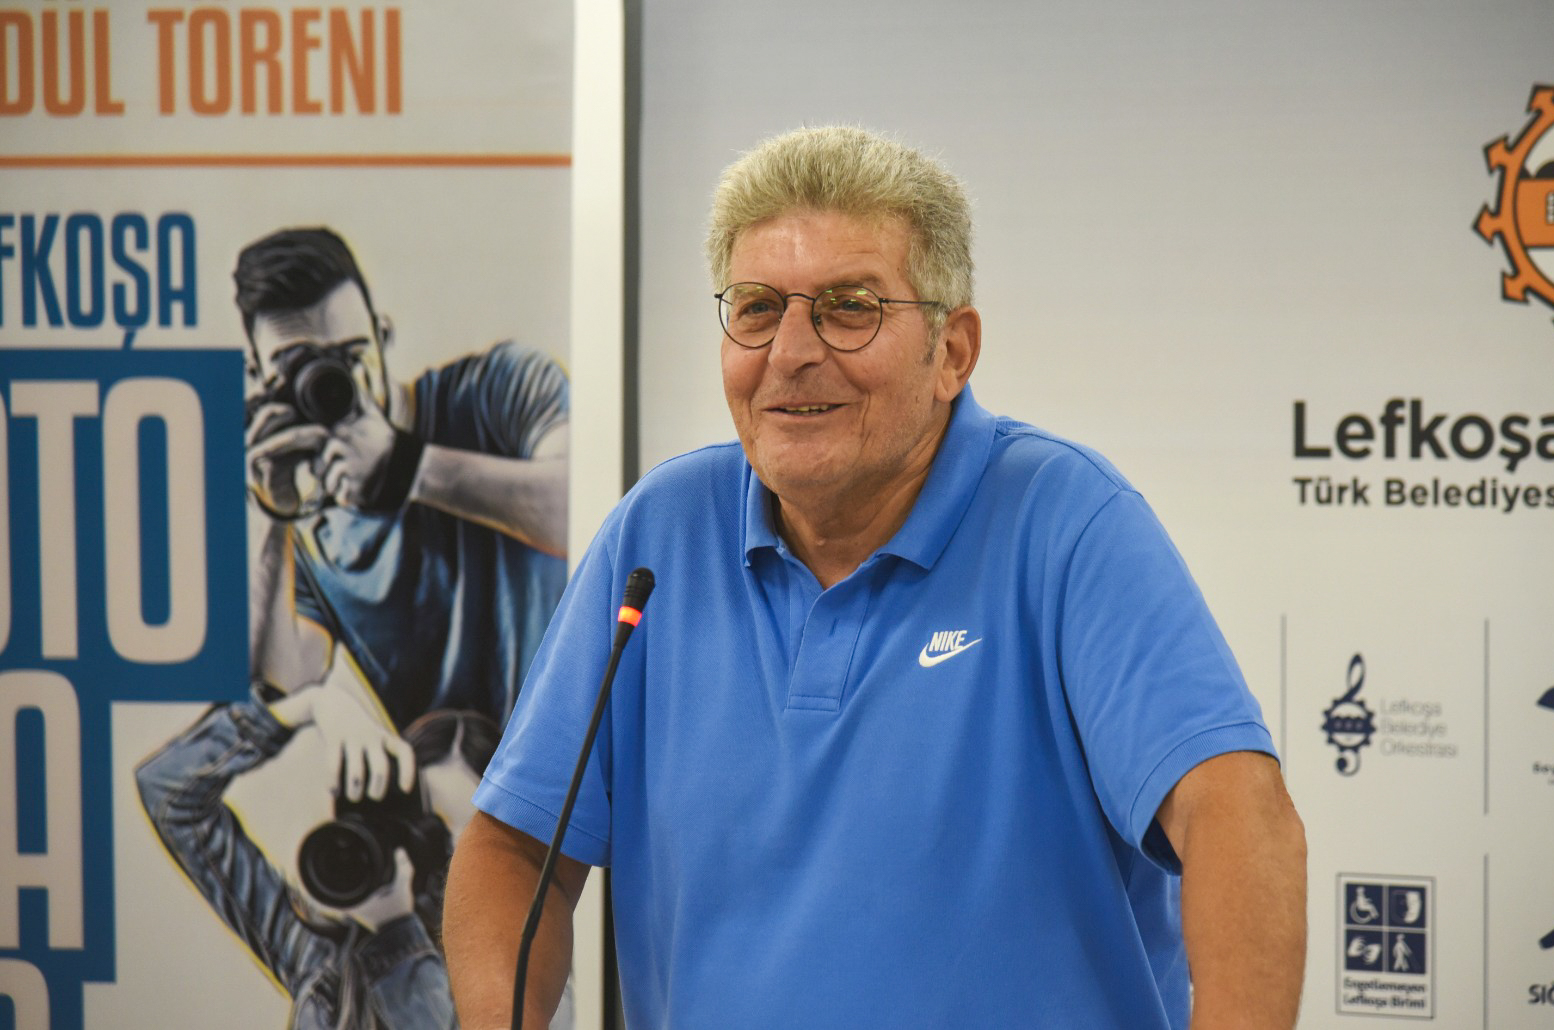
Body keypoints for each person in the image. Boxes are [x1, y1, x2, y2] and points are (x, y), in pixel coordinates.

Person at [443, 126, 1307, 1029]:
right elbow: (513, 851)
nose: (790, 352)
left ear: (952, 351)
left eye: (848, 307)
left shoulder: (1066, 520)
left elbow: (1238, 817)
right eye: (757, 308)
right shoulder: (660, 532)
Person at [238, 227, 569, 735]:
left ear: (382, 334)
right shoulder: (304, 518)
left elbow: (589, 508)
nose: (331, 382)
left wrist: (407, 467)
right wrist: (272, 511)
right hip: (447, 783)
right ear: (258, 374)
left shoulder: (497, 392)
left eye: (350, 355)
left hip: (564, 762)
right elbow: (287, 684)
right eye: (297, 367)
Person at [134, 684, 560, 1028]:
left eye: (459, 845)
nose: (436, 864)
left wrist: (399, 937)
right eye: (423, 829)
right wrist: (311, 705)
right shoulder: (328, 958)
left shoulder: (531, 973)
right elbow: (169, 795)